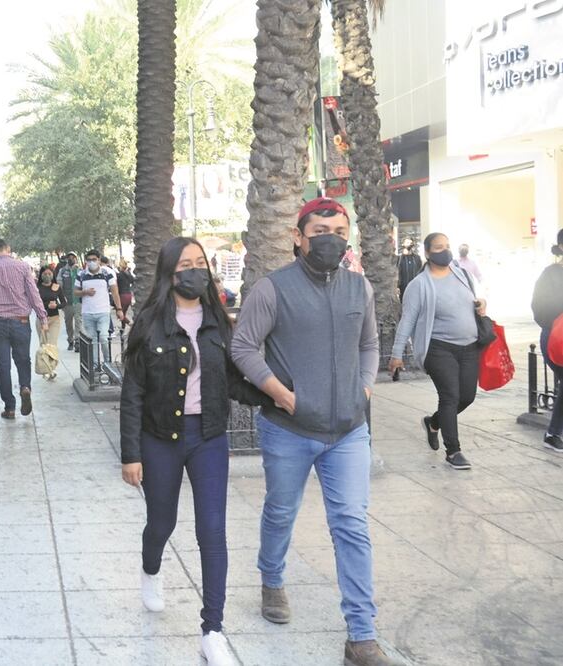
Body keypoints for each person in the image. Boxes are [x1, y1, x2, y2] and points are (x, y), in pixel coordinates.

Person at [230, 198, 399, 666]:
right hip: (288, 429)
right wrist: (282, 395)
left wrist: (364, 388)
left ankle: (361, 635)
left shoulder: (358, 288)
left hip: (348, 431)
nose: (331, 238)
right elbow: (243, 347)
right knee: (281, 511)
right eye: (320, 229)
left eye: (339, 230)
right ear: (298, 237)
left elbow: (370, 343)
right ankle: (272, 578)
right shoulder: (272, 289)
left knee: (351, 525)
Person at [120, 237, 266, 666]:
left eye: (200, 262)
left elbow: (235, 382)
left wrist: (274, 394)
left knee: (212, 531)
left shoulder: (219, 321)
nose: (195, 270)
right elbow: (133, 394)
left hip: (209, 437)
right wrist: (131, 455)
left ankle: (212, 629)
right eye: (186, 264)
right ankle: (151, 569)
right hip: (160, 437)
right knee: (161, 522)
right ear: (169, 272)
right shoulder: (148, 323)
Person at [389, 233, 485, 471]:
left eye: (448, 246)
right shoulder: (419, 285)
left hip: (469, 346)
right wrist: (396, 354)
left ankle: (433, 423)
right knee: (450, 396)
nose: (446, 251)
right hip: (438, 348)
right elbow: (407, 321)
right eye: (439, 247)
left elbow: (473, 302)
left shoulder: (462, 275)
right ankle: (453, 451)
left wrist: (481, 305)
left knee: (467, 397)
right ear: (428, 253)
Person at [0, 238, 48, 419]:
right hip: (21, 321)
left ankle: (9, 407)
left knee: (3, 365)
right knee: (23, 359)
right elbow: (34, 294)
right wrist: (42, 317)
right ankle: (25, 387)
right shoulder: (23, 267)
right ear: (8, 249)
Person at [532, 229, 563, 452]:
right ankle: (553, 432)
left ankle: (553, 432)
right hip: (556, 337)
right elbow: (539, 309)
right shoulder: (550, 274)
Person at [75, 249, 126, 371]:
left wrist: (119, 309)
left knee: (103, 337)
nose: (91, 262)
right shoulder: (81, 274)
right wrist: (85, 292)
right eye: (89, 260)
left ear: (99, 260)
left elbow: (114, 291)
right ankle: (95, 365)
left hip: (103, 312)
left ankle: (108, 363)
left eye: (94, 259)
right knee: (92, 340)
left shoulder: (107, 273)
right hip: (87, 313)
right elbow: (75, 292)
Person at [37, 265, 67, 379]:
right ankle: (45, 369)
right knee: (43, 345)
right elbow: (35, 303)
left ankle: (51, 369)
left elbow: (64, 302)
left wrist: (57, 305)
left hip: (54, 319)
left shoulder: (56, 287)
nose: (47, 276)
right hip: (41, 319)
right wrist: (46, 306)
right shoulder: (37, 287)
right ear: (41, 275)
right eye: (45, 274)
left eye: (50, 274)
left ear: (53, 275)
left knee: (52, 345)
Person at [58, 253, 81, 350]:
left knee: (78, 322)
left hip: (78, 301)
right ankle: (70, 340)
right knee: (68, 322)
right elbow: (59, 284)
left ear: (76, 258)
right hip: (67, 302)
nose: (71, 259)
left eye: (73, 257)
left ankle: (77, 341)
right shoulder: (63, 271)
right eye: (69, 257)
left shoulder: (80, 271)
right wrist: (62, 299)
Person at [396, 237, 422, 301]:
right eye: (407, 242)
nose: (409, 244)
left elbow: (420, 271)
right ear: (403, 244)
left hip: (416, 287)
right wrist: (397, 286)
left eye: (411, 243)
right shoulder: (399, 259)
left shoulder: (417, 258)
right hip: (403, 288)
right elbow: (397, 272)